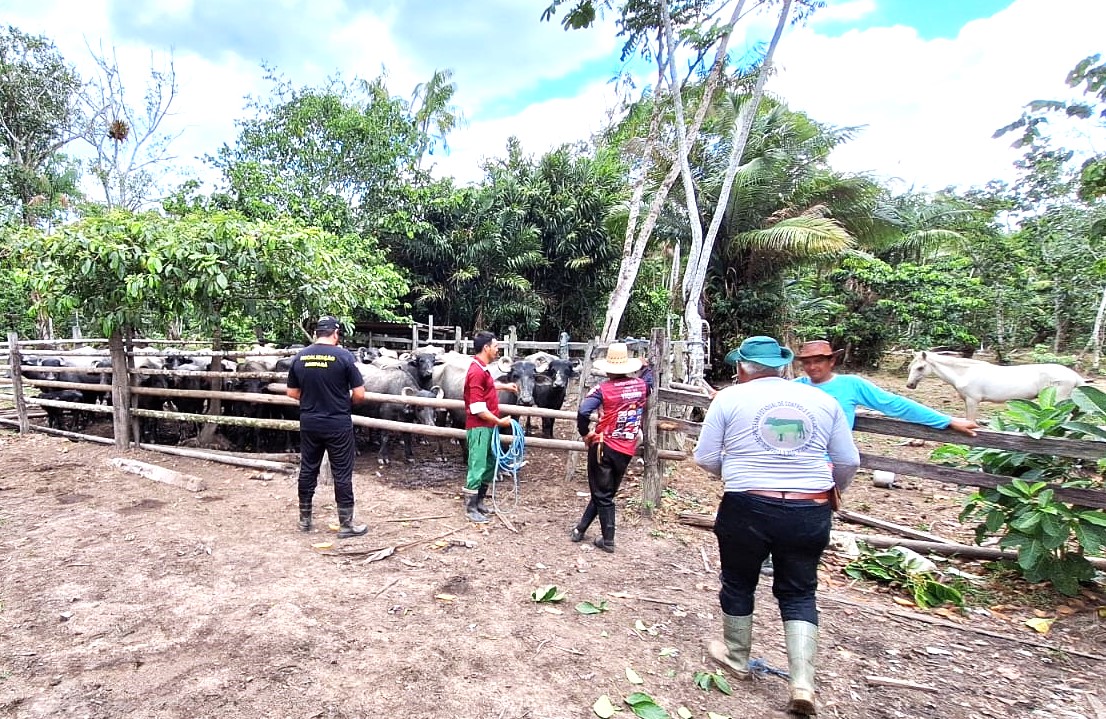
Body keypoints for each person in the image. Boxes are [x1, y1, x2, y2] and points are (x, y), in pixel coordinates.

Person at [695, 336, 859, 717]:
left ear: (741, 368)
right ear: (784, 366)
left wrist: (736, 475)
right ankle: (802, 682)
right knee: (800, 591)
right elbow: (847, 460)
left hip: (747, 505)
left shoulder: (729, 399)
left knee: (738, 581)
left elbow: (704, 457)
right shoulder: (824, 401)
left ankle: (736, 657)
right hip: (809, 509)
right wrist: (832, 490)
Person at [286, 316, 368, 538]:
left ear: (316, 333)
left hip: (310, 422)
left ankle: (305, 520)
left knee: (308, 469)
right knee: (342, 473)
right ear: (336, 333)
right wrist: (342, 402)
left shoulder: (300, 357)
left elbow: (292, 393)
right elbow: (360, 394)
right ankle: (346, 525)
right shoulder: (344, 356)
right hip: (337, 422)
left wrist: (313, 399)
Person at [792, 340, 978, 437]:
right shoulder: (796, 387)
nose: (812, 367)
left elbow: (894, 404)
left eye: (818, 361)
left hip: (832, 458)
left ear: (831, 361)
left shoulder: (851, 385)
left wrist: (946, 420)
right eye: (807, 363)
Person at [571, 342, 654, 553]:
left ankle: (608, 540)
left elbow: (583, 411)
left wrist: (585, 432)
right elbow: (650, 380)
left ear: (608, 368)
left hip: (603, 446)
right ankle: (580, 529)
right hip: (627, 447)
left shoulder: (603, 389)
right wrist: (647, 367)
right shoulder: (641, 386)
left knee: (602, 494)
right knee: (604, 491)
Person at [462, 331, 518, 524]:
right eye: (495, 346)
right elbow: (477, 408)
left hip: (487, 426)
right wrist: (500, 422)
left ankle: (479, 501)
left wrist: (504, 387)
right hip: (479, 427)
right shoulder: (476, 371)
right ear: (486, 348)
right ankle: (470, 508)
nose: (497, 349)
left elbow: (486, 387)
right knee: (477, 466)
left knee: (490, 462)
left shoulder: (481, 368)